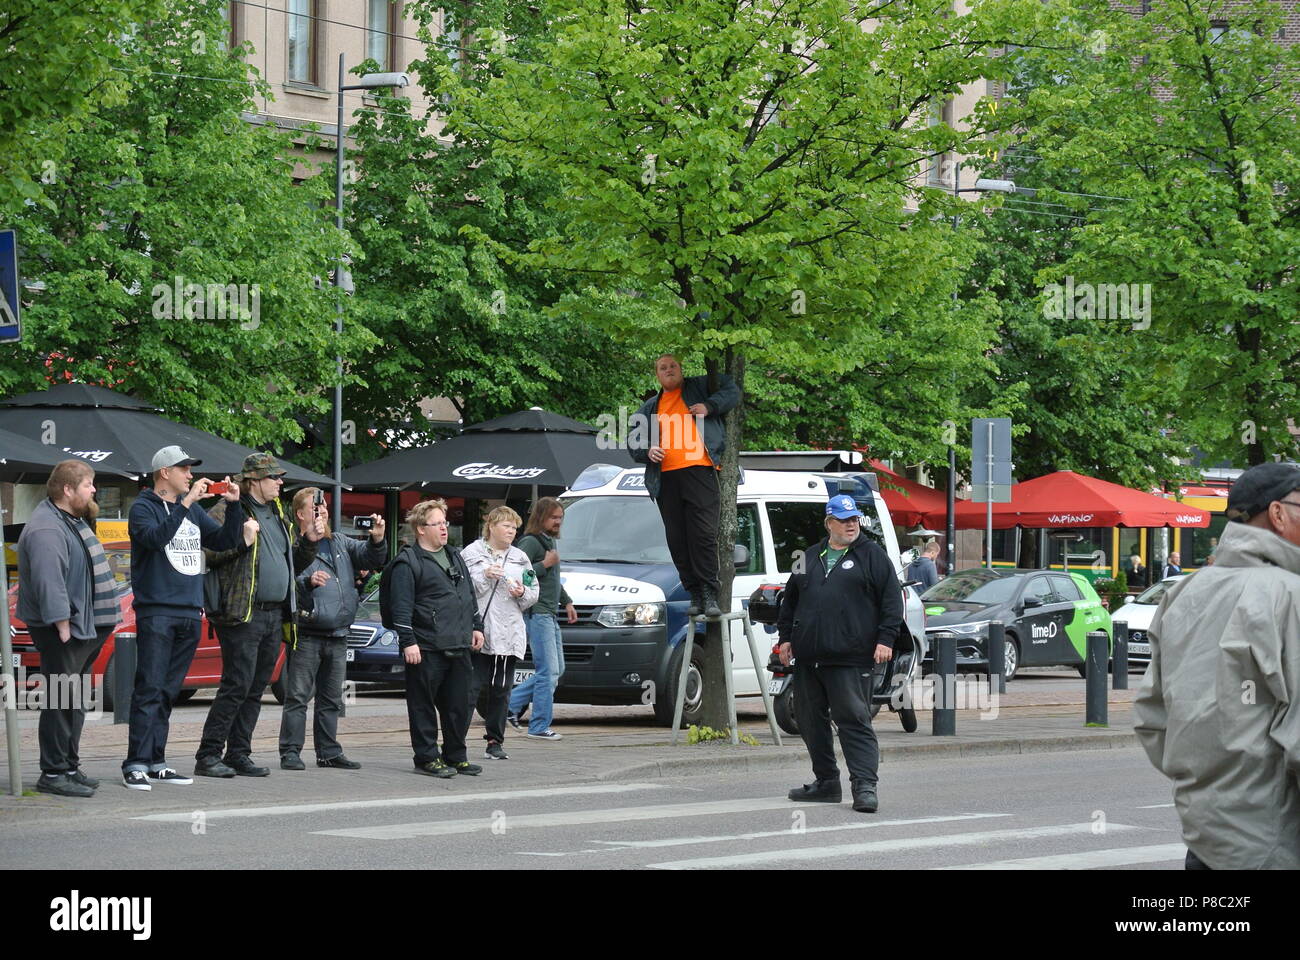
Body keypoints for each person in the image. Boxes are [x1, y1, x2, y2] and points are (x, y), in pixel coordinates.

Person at [1134, 462, 1300, 870]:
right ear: (1278, 514)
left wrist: (1208, 779)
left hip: (1205, 836)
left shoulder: (1186, 591)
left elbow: (1153, 717)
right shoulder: (1291, 596)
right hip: (1279, 838)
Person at [122, 446, 246, 790]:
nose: (190, 475)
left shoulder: (188, 511)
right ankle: (135, 762)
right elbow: (156, 538)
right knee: (149, 687)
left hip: (190, 611)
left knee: (168, 691)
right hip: (157, 610)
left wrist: (234, 506)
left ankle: (157, 760)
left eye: (190, 470)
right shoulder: (144, 507)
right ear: (165, 473)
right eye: (184, 469)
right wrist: (188, 502)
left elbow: (224, 540)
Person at [777, 495, 904, 814]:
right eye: (844, 519)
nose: (851, 524)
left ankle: (864, 786)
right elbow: (789, 600)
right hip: (808, 658)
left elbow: (891, 601)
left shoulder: (872, 556)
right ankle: (826, 783)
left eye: (854, 519)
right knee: (809, 721)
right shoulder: (807, 556)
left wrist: (886, 639)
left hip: (851, 657)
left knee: (853, 720)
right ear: (828, 522)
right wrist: (786, 638)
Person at [196, 453, 319, 778]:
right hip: (241, 613)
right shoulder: (229, 509)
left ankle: (239, 753)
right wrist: (241, 539)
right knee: (236, 684)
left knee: (256, 687)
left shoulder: (277, 514)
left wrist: (309, 542)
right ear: (253, 481)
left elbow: (291, 562)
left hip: (272, 613)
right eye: (273, 477)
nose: (280, 482)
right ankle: (208, 754)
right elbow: (206, 553)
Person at [16, 461, 120, 797]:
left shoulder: (70, 519)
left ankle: (69, 766)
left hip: (83, 628)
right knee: (60, 699)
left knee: (73, 700)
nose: (93, 491)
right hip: (66, 629)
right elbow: (49, 579)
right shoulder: (48, 527)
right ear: (67, 489)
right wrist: (61, 623)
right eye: (88, 485)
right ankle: (54, 772)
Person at [278, 489, 388, 771]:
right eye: (315, 508)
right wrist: (307, 583)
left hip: (339, 633)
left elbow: (371, 559)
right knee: (298, 696)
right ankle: (290, 752)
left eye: (324, 506)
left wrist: (377, 539)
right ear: (301, 514)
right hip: (308, 631)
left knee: (330, 699)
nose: (322, 511)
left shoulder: (339, 541)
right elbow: (287, 582)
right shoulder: (293, 545)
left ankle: (328, 752)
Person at [628, 354, 741, 618]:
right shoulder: (651, 406)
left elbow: (732, 390)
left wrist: (709, 407)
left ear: (681, 370)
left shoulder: (700, 386)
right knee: (678, 539)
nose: (668, 370)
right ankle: (695, 593)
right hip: (666, 477)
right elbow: (633, 438)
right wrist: (647, 450)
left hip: (699, 470)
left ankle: (710, 591)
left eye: (673, 366)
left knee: (702, 535)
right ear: (657, 375)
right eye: (662, 368)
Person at [390, 498, 485, 778]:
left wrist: (476, 626)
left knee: (459, 704)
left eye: (445, 522)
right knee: (422, 706)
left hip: (458, 642)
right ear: (421, 528)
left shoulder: (454, 555)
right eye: (438, 523)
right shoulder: (407, 563)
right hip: (426, 646)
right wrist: (408, 641)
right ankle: (427, 757)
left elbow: (468, 595)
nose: (444, 528)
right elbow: (401, 606)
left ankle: (456, 755)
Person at [462, 507, 539, 760]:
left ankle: (495, 741)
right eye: (506, 525)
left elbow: (532, 590)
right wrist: (484, 576)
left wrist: (522, 594)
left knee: (501, 689)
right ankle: (455, 740)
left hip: (509, 633)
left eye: (514, 527)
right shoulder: (472, 552)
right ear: (492, 526)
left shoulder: (521, 557)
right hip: (479, 632)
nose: (511, 531)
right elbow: (461, 588)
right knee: (469, 689)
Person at [507, 497, 577, 740]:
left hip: (550, 613)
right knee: (548, 671)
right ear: (541, 517)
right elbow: (516, 575)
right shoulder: (530, 542)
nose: (558, 522)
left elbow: (553, 581)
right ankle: (538, 726)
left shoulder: (549, 541)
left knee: (556, 670)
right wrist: (544, 564)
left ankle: (509, 704)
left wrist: (566, 601)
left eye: (560, 518)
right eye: (553, 517)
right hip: (537, 614)